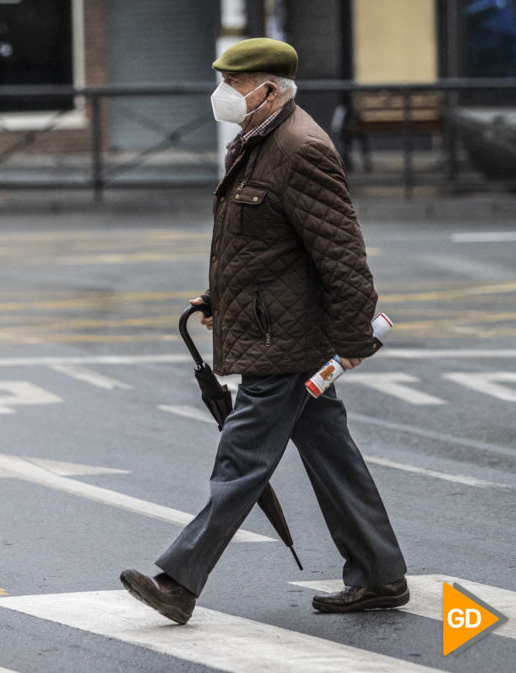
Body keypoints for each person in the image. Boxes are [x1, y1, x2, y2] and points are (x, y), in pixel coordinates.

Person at [120, 37, 408, 625]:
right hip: (272, 326)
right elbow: (263, 244)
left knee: (242, 459)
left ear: (269, 89)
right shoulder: (257, 142)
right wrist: (219, 296)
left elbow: (342, 253)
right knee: (332, 458)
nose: (222, 94)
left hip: (288, 341)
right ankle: (380, 576)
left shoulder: (300, 148)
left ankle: (178, 582)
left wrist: (355, 340)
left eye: (233, 83)